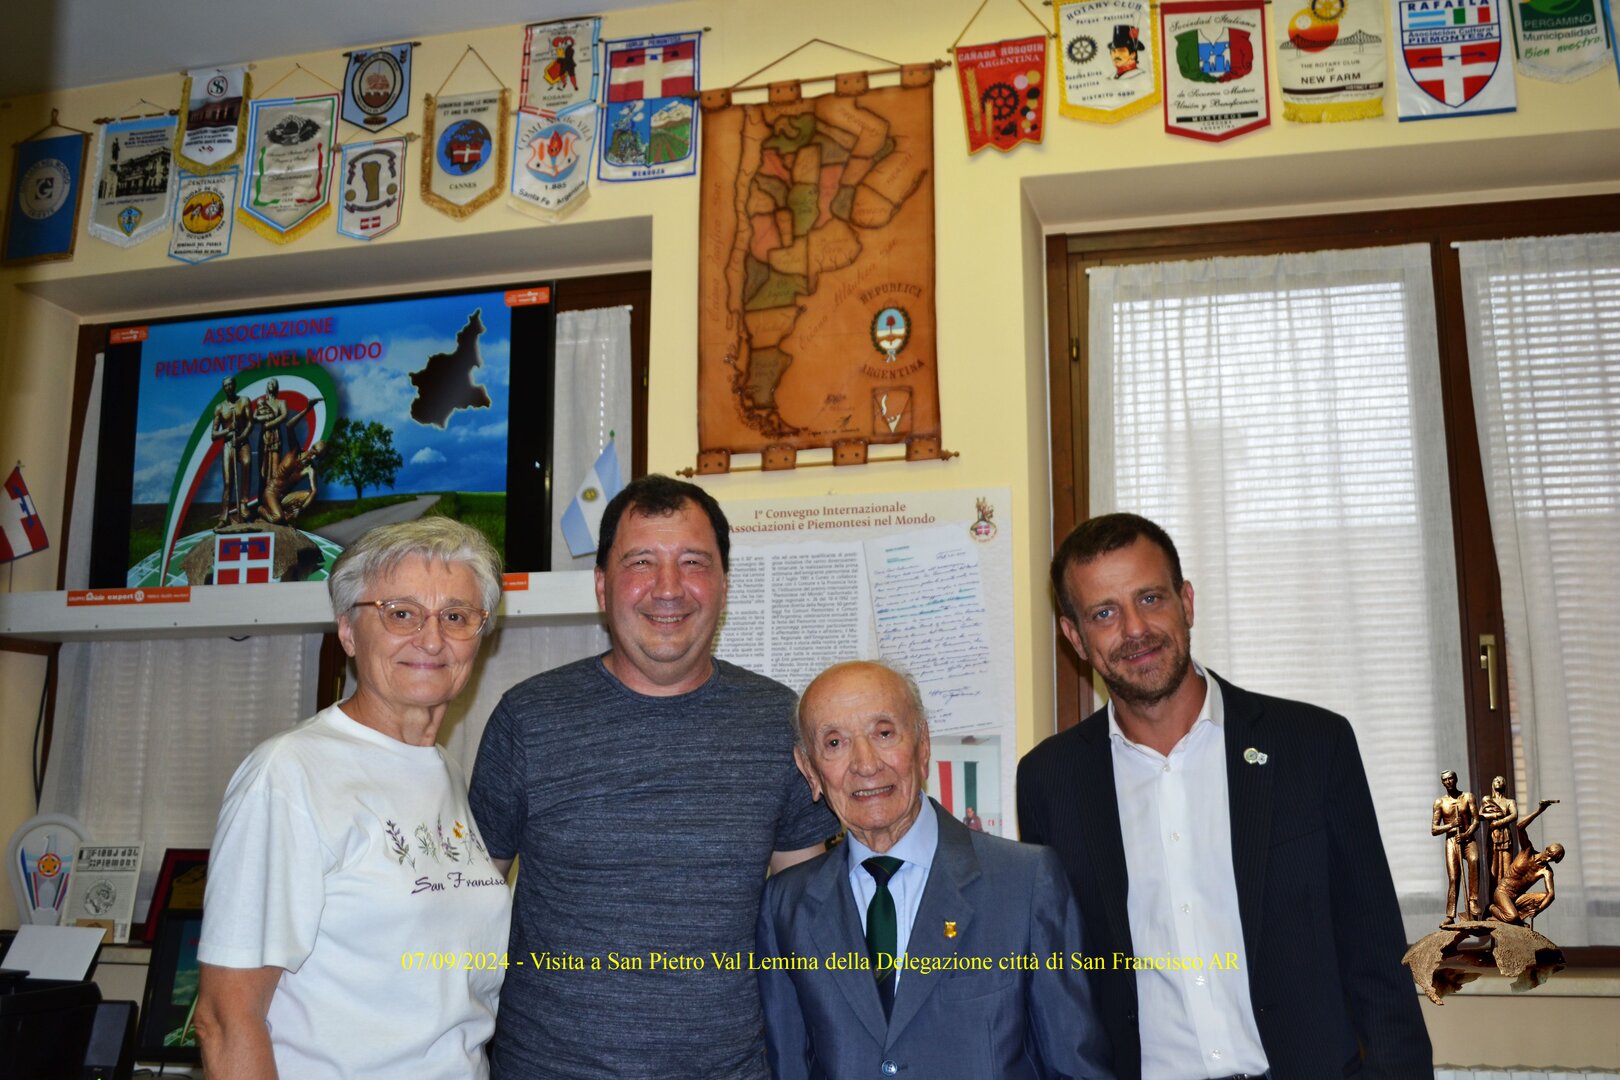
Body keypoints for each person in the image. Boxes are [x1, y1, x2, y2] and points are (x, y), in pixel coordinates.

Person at [1017, 513, 1432, 1080]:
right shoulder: (1050, 781)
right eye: (1104, 613)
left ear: (1186, 602)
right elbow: (1060, 982)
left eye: (1150, 598)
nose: (1135, 629)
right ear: (1075, 637)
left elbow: (1376, 950)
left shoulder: (1311, 746)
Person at [468, 474, 836, 1079]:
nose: (668, 588)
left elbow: (809, 919)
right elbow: (466, 913)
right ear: (602, 585)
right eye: (641, 562)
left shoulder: (780, 723)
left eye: (693, 562)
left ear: (723, 584)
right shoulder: (527, 719)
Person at [194, 518, 512, 1079]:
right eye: (401, 613)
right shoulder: (289, 775)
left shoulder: (445, 772)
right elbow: (224, 1018)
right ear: (347, 631)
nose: (431, 639)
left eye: (456, 616)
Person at [758, 660, 1114, 1079]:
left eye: (884, 733)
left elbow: (1075, 1068)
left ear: (923, 745)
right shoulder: (787, 905)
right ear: (810, 770)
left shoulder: (1025, 883)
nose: (866, 764)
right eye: (835, 743)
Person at [1488, 798, 1564, 925]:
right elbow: (1520, 827)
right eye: (1549, 854)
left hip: (1518, 898)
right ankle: (1492, 909)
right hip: (1503, 892)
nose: (1548, 858)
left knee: (1544, 897)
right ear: (1546, 849)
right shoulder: (1527, 850)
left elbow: (1551, 894)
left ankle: (1514, 915)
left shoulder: (1546, 871)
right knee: (1512, 917)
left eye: (1553, 859)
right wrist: (1539, 811)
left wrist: (1538, 910)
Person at [1431, 770, 1482, 922]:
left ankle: (1472, 901)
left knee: (1474, 860)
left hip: (1468, 837)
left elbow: (1476, 820)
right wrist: (1451, 825)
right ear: (1442, 783)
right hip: (1452, 840)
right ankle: (1450, 915)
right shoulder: (1440, 803)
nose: (1448, 782)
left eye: (1451, 778)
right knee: (1454, 877)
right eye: (1445, 780)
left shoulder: (1468, 797)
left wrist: (1466, 834)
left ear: (1456, 779)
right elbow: (1434, 829)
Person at [209, 375, 252, 527]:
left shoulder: (244, 401)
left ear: (234, 385)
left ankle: (243, 504)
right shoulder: (220, 408)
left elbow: (250, 424)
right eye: (225, 385)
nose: (228, 387)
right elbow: (214, 434)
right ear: (224, 388)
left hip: (242, 441)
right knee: (228, 482)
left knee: (247, 463)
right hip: (228, 444)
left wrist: (241, 437)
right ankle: (223, 517)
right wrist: (228, 430)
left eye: (230, 384)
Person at [1479, 775, 1518, 886]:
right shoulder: (1488, 801)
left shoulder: (1509, 801)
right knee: (1493, 869)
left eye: (1500, 780)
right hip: (1493, 835)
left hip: (1505, 835)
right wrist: (1494, 815)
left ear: (1504, 784)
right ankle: (1493, 895)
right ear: (1492, 784)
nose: (1498, 782)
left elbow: (1514, 815)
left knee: (1507, 868)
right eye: (1495, 780)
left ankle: (1505, 893)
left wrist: (1498, 823)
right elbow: (1479, 816)